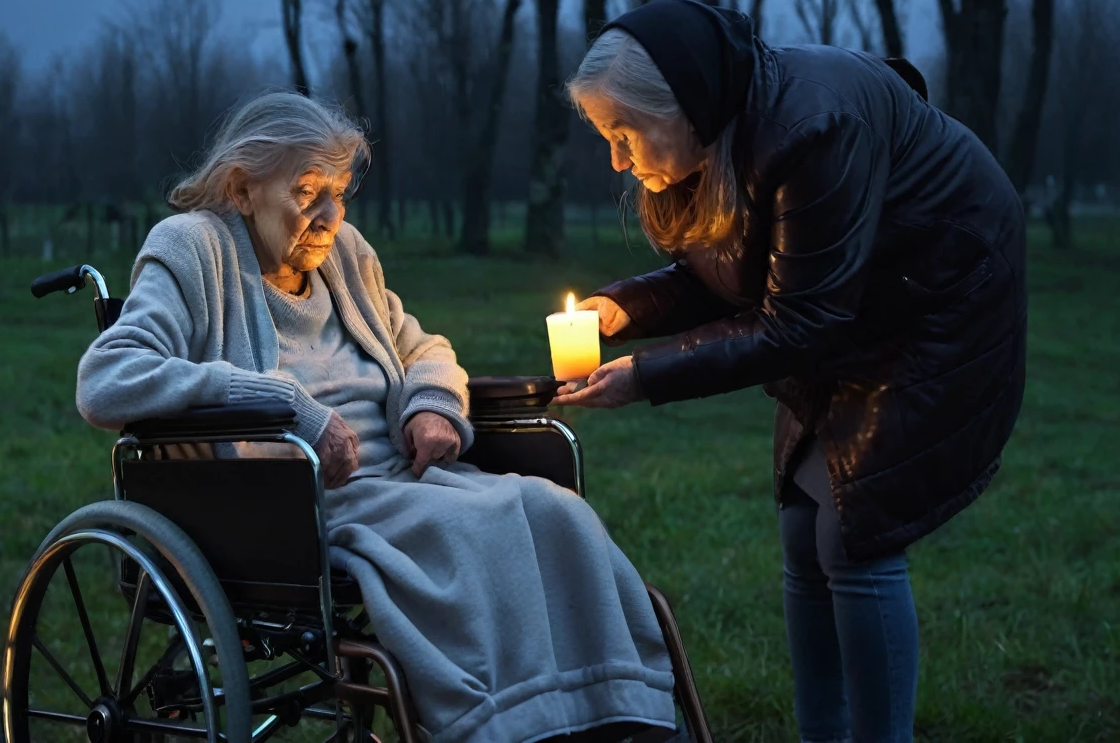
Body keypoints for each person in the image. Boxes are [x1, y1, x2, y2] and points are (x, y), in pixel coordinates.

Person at [74, 91, 678, 743]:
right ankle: (513, 722)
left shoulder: (348, 255)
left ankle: (608, 708)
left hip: (402, 478)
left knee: (553, 510)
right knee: (476, 529)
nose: (331, 216)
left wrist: (433, 402)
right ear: (243, 190)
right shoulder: (194, 249)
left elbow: (423, 347)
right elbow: (108, 381)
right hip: (297, 506)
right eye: (309, 192)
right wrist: (290, 408)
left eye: (339, 192)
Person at [554, 0, 1026, 743]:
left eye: (624, 132)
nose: (617, 158)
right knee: (804, 531)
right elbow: (723, 274)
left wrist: (646, 375)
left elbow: (801, 320)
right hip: (845, 308)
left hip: (937, 297)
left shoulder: (812, 128)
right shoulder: (713, 138)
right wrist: (621, 310)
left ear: (686, 106)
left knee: (854, 533)